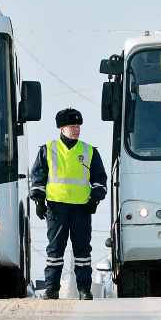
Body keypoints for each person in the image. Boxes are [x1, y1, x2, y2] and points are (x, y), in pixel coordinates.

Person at [29, 108, 107, 300]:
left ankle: (84, 290)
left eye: (78, 126)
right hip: (57, 208)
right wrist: (39, 201)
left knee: (82, 251)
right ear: (62, 128)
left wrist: (95, 199)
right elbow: (38, 178)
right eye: (72, 126)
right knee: (55, 251)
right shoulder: (47, 149)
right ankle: (51, 289)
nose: (76, 130)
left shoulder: (89, 150)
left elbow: (100, 178)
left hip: (82, 208)